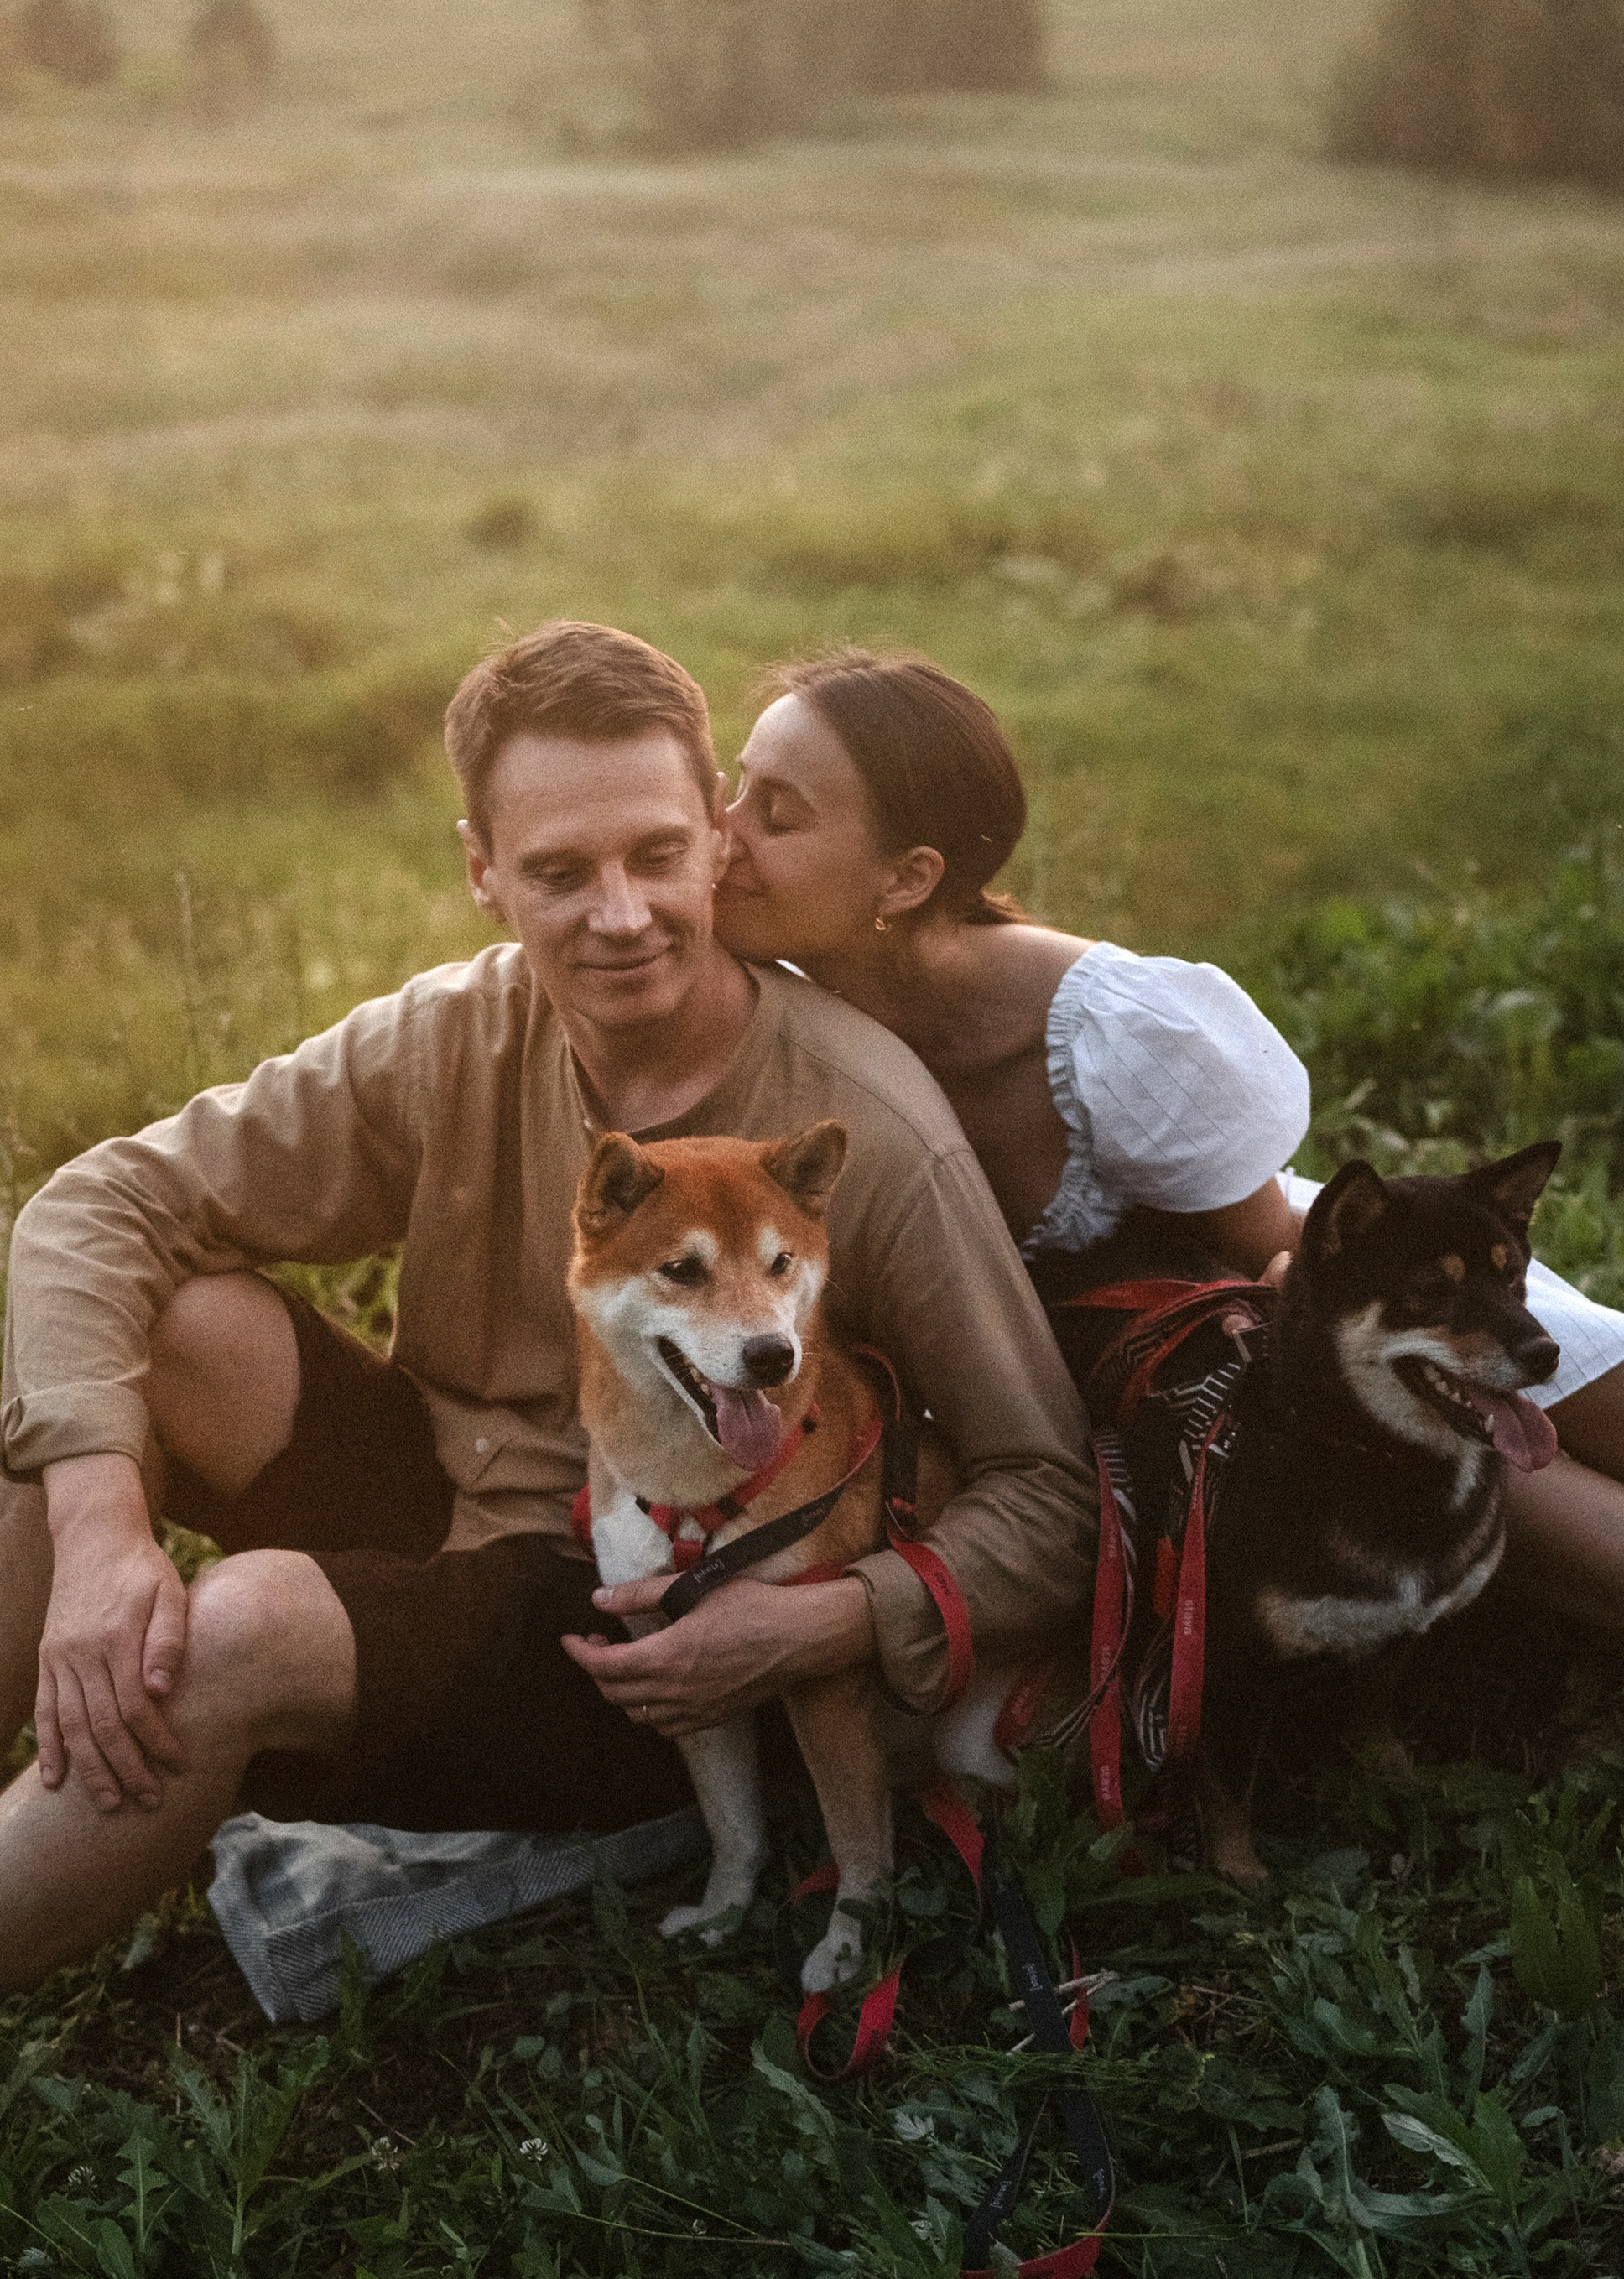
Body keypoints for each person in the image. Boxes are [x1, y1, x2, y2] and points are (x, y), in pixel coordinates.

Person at [0, 622, 1096, 1993]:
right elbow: (96, 1205)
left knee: (240, 1624)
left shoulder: (858, 1125)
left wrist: (831, 1620)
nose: (622, 914)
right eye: (560, 873)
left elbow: (1050, 1491)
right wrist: (102, 1535)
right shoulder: (452, 1034)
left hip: (648, 1633)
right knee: (165, 1334)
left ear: (713, 835)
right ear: (480, 870)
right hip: (452, 1506)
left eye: (654, 855)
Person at [712, 647, 1624, 1642]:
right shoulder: (757, 990)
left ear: (906, 879)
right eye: (734, 786)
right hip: (1155, 1380)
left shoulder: (1106, 1028)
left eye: (775, 815)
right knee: (1504, 1469)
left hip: (1303, 1289)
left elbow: (1276, 1258)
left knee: (1525, 1398)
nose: (721, 834)